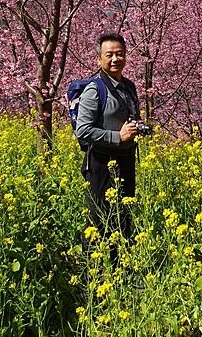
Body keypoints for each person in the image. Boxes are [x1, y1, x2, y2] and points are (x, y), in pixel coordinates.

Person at [76, 32, 139, 257]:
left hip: (126, 161)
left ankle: (120, 269)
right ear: (99, 59)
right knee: (99, 220)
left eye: (119, 54)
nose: (115, 59)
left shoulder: (129, 86)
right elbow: (82, 130)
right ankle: (94, 272)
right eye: (109, 54)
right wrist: (117, 136)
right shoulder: (95, 89)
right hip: (101, 164)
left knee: (123, 217)